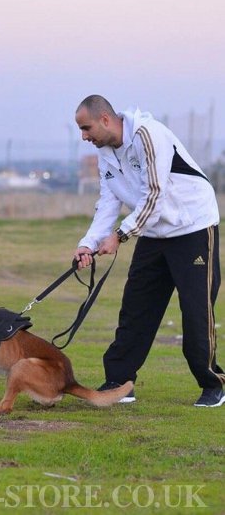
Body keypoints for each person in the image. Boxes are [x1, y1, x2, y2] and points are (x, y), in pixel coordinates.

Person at [73, 95, 224, 408]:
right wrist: (88, 242)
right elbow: (109, 201)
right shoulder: (105, 152)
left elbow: (155, 194)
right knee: (136, 308)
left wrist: (120, 235)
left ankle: (214, 383)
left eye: (86, 128)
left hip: (192, 226)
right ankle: (120, 381)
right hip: (153, 232)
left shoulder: (148, 134)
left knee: (196, 311)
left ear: (105, 119)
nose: (83, 136)